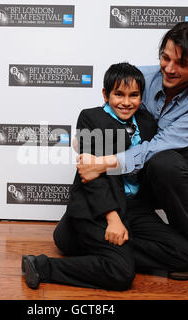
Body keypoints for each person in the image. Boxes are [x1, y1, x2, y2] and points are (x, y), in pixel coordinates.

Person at [77, 21, 188, 280]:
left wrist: (106, 162)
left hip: (167, 179)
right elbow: (105, 117)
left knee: (164, 161)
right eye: (165, 58)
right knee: (94, 153)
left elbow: (159, 145)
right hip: (128, 178)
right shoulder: (141, 78)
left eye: (181, 63)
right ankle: (96, 233)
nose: (168, 68)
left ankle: (183, 243)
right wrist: (88, 150)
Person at [21, 62, 158, 290]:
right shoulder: (91, 118)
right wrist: (113, 219)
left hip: (132, 207)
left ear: (142, 97)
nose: (126, 102)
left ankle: (101, 249)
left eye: (133, 95)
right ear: (105, 94)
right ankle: (42, 266)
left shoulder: (147, 123)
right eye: (118, 94)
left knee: (183, 255)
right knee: (121, 273)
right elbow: (92, 174)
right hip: (98, 207)